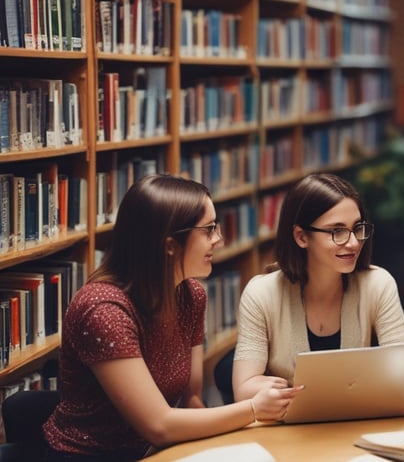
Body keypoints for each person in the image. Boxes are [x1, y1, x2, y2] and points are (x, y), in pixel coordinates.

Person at [42, 175, 278, 461]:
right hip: (92, 455)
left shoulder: (190, 295)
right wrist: (253, 408)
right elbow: (159, 425)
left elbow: (191, 400)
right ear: (169, 245)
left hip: (158, 451)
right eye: (209, 230)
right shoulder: (103, 310)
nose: (219, 239)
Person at [232, 173, 404, 412]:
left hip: (355, 426)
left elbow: (402, 377)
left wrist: (289, 388)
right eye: (337, 231)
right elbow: (243, 391)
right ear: (301, 236)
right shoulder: (261, 293)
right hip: (286, 436)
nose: (353, 243)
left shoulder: (378, 284)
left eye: (357, 228)